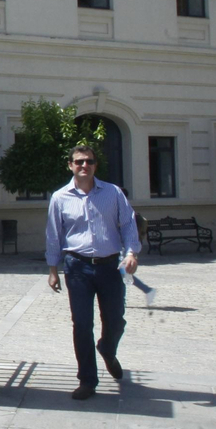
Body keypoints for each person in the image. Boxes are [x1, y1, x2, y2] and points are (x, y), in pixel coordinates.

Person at [45, 144, 142, 399]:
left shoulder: (113, 193)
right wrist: (53, 269)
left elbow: (129, 224)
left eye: (88, 161)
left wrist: (131, 253)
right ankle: (87, 380)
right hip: (77, 267)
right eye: (78, 162)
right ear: (70, 165)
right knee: (82, 324)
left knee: (115, 320)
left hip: (110, 266)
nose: (83, 166)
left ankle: (107, 349)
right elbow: (54, 235)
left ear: (95, 165)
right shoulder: (60, 198)